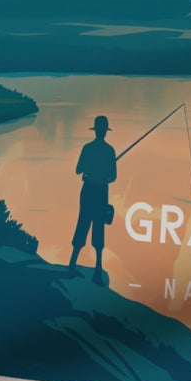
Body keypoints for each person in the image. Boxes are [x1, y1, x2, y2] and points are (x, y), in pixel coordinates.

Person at [68, 115, 118, 277]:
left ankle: (72, 264)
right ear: (105, 132)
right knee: (99, 226)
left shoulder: (87, 148)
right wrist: (102, 175)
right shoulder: (110, 151)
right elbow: (113, 177)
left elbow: (78, 170)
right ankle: (97, 268)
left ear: (95, 131)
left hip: (87, 190)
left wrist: (90, 170)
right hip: (101, 191)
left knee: (83, 222)